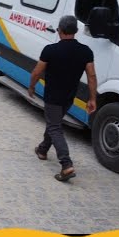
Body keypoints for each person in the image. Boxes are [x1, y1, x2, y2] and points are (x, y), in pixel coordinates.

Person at [28, 15, 97, 182]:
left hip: (52, 96)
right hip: (69, 97)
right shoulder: (86, 51)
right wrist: (92, 98)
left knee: (54, 127)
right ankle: (43, 150)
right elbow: (92, 76)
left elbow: (37, 72)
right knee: (54, 123)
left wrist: (31, 86)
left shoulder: (50, 50)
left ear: (59, 30)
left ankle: (66, 164)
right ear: (76, 31)